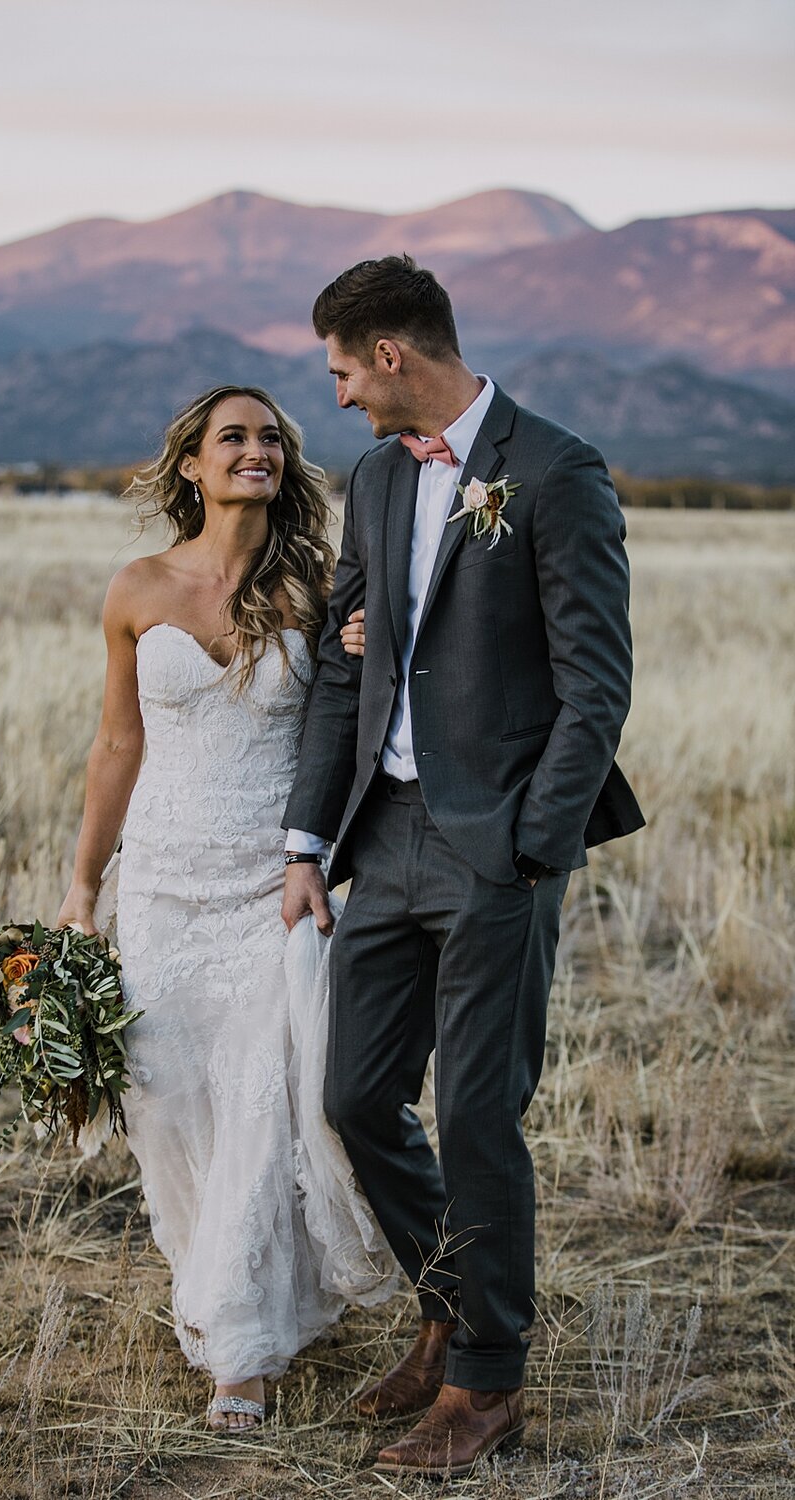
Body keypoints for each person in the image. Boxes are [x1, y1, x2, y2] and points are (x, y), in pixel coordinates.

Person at [281, 255, 645, 1477]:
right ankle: (452, 1304)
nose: (333, 398)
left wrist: (535, 843)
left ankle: (488, 1382)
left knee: (479, 1112)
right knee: (352, 1097)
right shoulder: (379, 478)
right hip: (381, 840)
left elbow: (596, 683)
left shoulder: (554, 471)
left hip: (498, 850)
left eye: (340, 369)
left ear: (391, 355)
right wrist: (308, 837)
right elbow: (347, 666)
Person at [55, 385, 394, 1434]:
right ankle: (220, 1300)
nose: (254, 451)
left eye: (269, 440)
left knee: (261, 1100)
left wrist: (367, 652)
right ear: (192, 467)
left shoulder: (320, 587)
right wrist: (82, 886)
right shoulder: (137, 586)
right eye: (230, 438)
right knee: (168, 1106)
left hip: (268, 882)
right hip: (160, 883)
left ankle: (239, 1359)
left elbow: (358, 725)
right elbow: (118, 746)